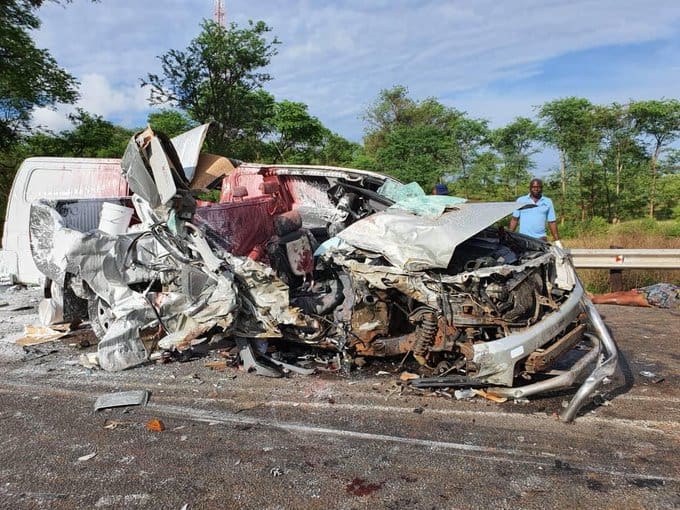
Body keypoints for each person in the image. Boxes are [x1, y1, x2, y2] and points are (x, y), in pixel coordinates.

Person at [509, 178, 562, 247]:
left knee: (542, 257)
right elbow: (514, 219)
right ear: (530, 188)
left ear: (542, 188)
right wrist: (509, 236)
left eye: (538, 187)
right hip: (523, 238)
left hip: (541, 239)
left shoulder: (548, 201)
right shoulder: (521, 200)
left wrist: (557, 241)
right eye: (533, 187)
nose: (536, 189)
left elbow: (552, 222)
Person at [589, 283, 679, 309]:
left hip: (671, 288)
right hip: (670, 295)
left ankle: (595, 298)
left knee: (630, 294)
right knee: (632, 297)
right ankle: (596, 299)